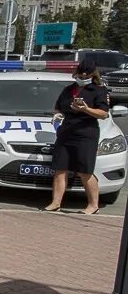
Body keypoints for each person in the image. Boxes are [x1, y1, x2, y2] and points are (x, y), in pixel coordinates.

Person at [43, 58, 110, 215]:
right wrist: (58, 115)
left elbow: (103, 114)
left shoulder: (99, 91)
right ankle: (56, 202)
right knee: (60, 169)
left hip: (86, 133)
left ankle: (93, 205)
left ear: (92, 74)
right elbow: (58, 108)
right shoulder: (68, 90)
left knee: (84, 171)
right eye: (80, 74)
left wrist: (86, 109)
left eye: (86, 74)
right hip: (66, 132)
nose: (82, 77)